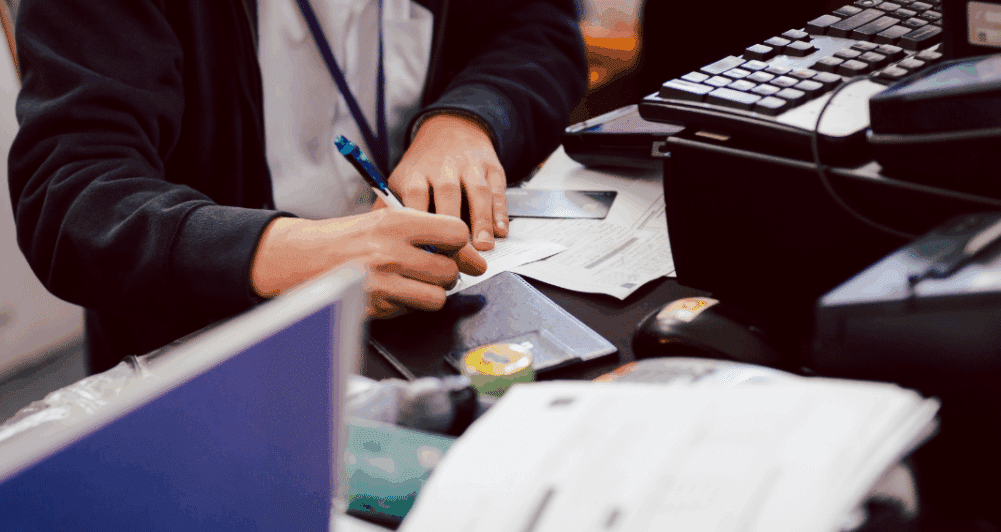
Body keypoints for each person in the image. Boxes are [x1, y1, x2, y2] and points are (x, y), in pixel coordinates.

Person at [8, 0, 587, 373]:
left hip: (435, 304)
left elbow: (536, 30)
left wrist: (467, 119)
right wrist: (282, 255)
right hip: (218, 342)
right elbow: (72, 195)